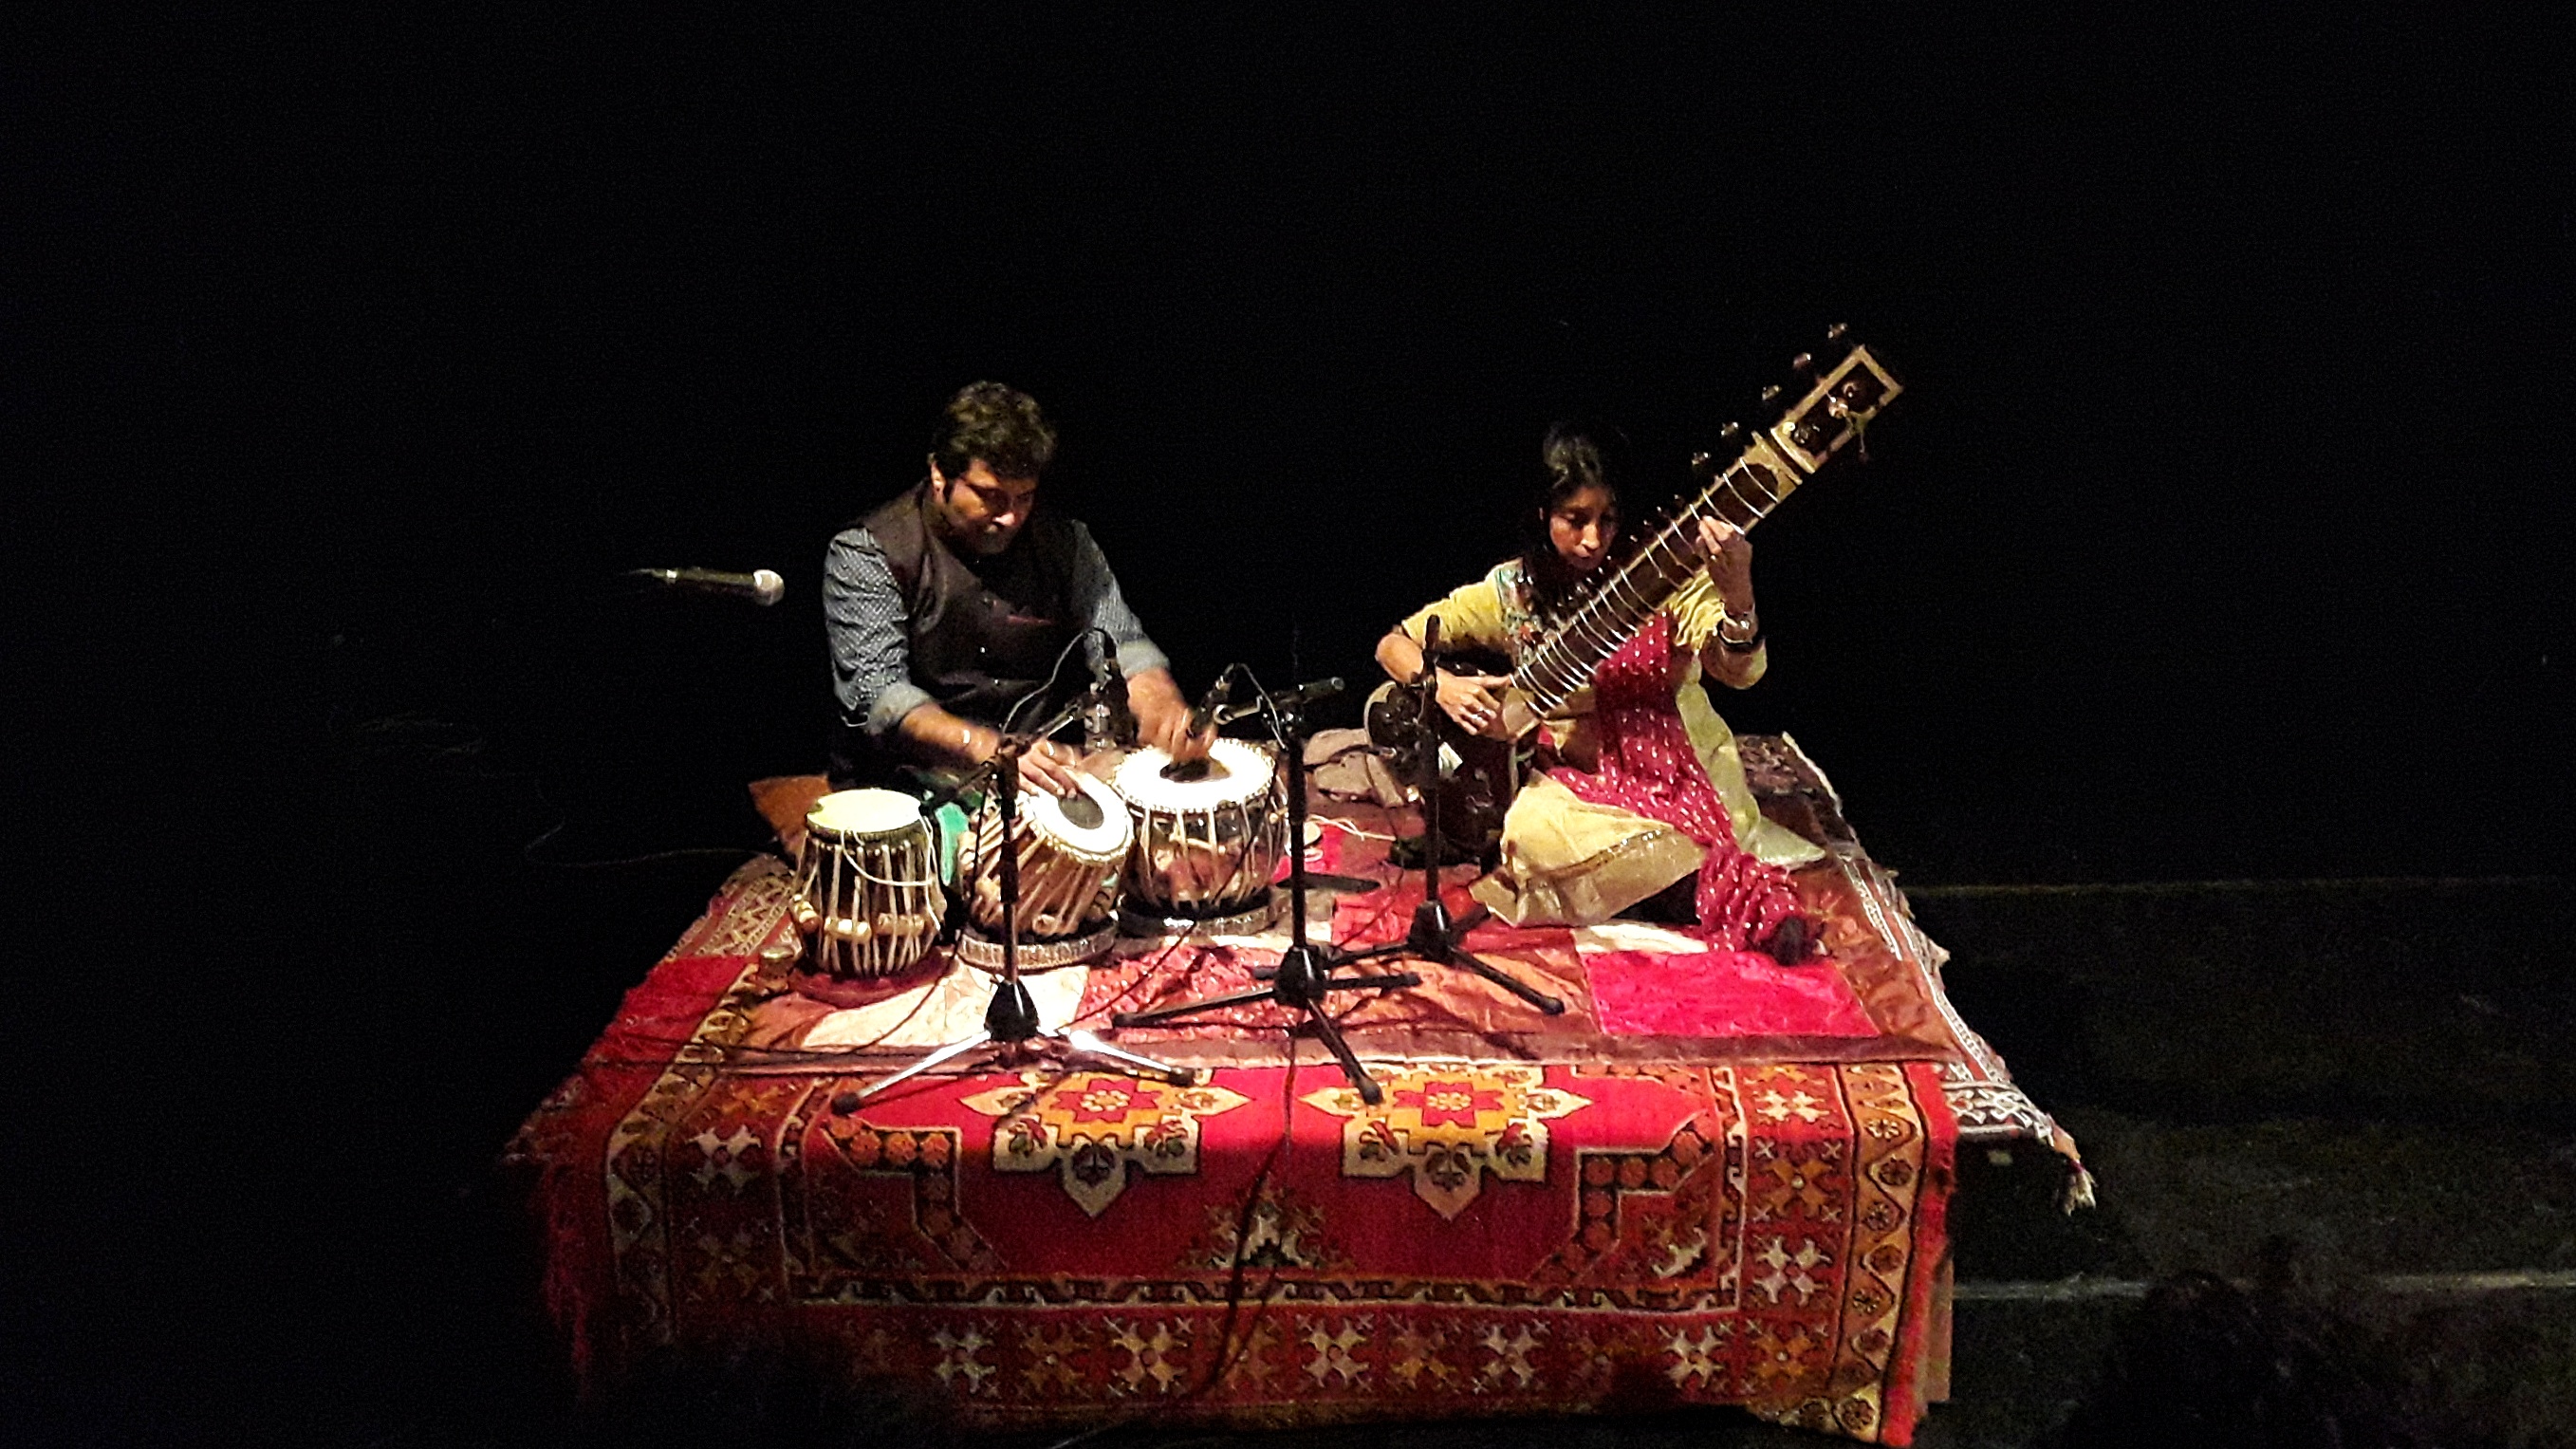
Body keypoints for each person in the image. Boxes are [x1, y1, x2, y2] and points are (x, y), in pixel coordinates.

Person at [1374, 422, 1824, 947]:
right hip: (1581, 786)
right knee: (1529, 835)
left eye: (1607, 520)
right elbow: (1393, 644)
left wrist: (1739, 597)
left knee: (1564, 853)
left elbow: (1739, 672)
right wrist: (1441, 685)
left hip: (1680, 776)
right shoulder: (1513, 591)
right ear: (1542, 514)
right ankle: (1680, 883)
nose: (1592, 540)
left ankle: (1715, 887)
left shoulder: (1662, 576)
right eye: (1575, 519)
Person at [824, 381, 1207, 800]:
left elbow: (1121, 640)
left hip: (1042, 771)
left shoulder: (1066, 543)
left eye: (1024, 497)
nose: (1010, 517)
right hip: (912, 784)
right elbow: (879, 693)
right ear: (939, 475)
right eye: (990, 496)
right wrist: (986, 749)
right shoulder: (869, 551)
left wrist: (1160, 701)